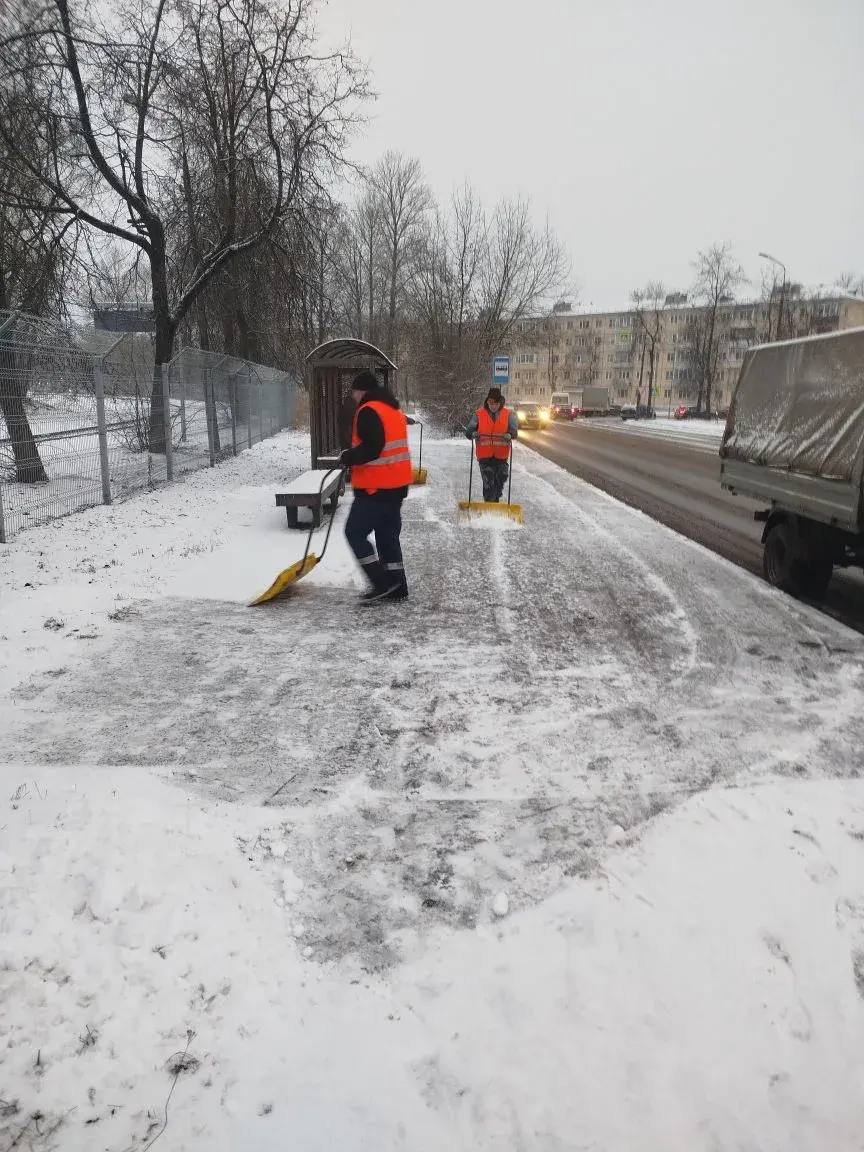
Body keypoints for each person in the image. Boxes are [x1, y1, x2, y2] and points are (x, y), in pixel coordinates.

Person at [339, 370, 412, 604]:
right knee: (387, 537)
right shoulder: (393, 409)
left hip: (375, 488)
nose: (354, 397)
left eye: (354, 393)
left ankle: (382, 583)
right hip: (396, 486)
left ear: (362, 391)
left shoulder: (368, 410)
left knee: (354, 533)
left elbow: (373, 448)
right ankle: (397, 585)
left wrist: (348, 457)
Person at [465, 387, 518, 502]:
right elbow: (468, 432)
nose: (493, 406)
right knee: (488, 483)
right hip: (485, 456)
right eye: (490, 403)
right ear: (487, 401)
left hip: (501, 457)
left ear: (500, 403)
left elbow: (514, 432)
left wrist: (510, 434)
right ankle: (489, 510)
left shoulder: (508, 414)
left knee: (499, 483)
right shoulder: (479, 414)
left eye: (496, 403)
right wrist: (474, 433)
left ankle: (494, 506)